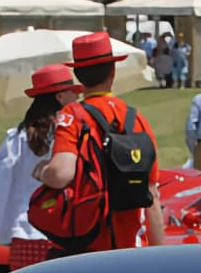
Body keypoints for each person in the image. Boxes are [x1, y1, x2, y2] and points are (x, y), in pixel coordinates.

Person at [36, 32, 167, 255]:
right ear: (113, 72)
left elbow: (60, 174)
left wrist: (41, 171)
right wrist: (159, 254)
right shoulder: (136, 119)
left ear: (78, 75)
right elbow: (151, 193)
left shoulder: (72, 115)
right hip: (131, 248)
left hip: (87, 246)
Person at [0, 64, 82, 268]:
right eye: (72, 92)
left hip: (25, 234)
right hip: (65, 232)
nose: (77, 97)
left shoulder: (17, 137)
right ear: (60, 97)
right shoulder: (74, 134)